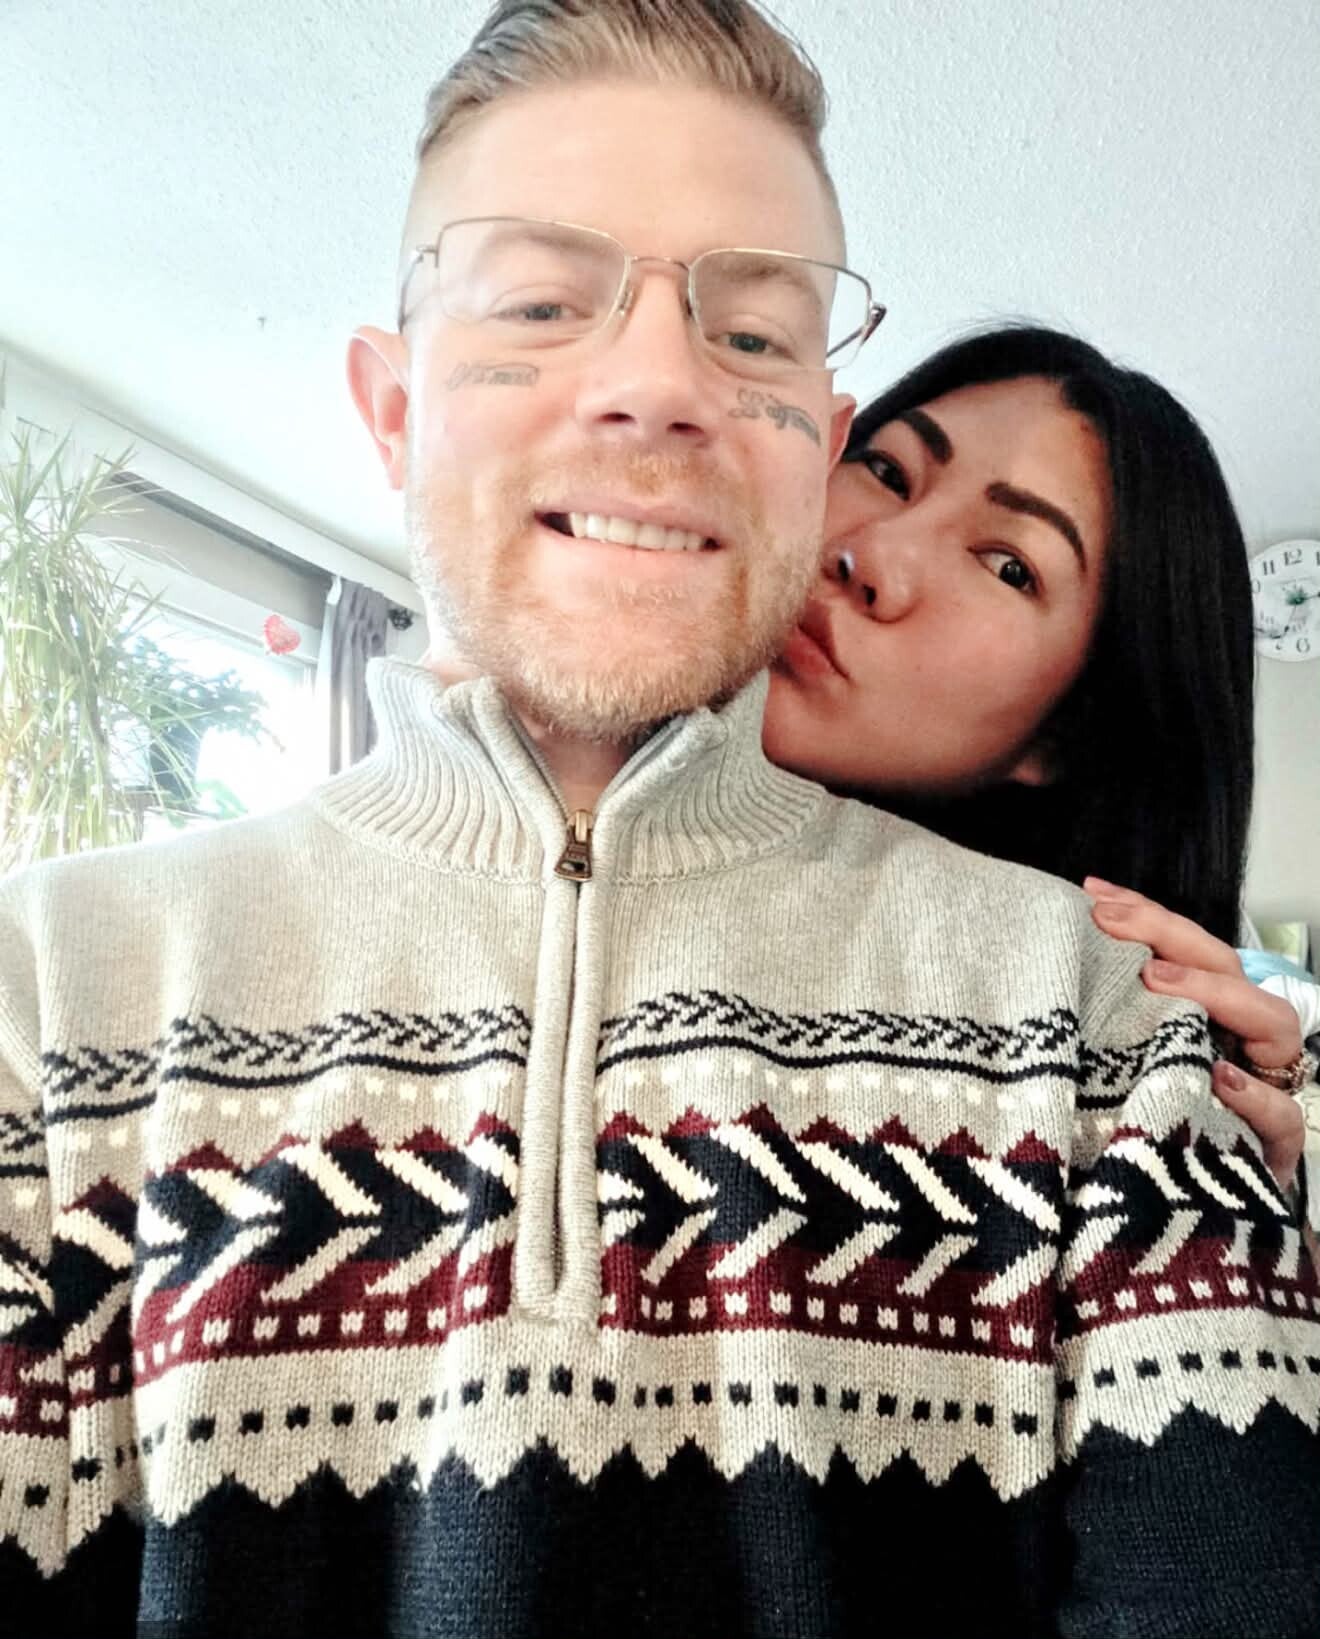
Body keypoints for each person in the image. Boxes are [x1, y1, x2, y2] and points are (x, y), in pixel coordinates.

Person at [1, 5, 1318, 1638]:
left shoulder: (1117, 1027)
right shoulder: (54, 988)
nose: (654, 385)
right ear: (394, 409)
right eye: (541, 302)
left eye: (754, 335)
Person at [762, 323, 1316, 1200]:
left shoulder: (1076, 1046)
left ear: (1061, 737)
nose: (871, 556)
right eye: (889, 471)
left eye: (1009, 566)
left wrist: (1240, 1191)